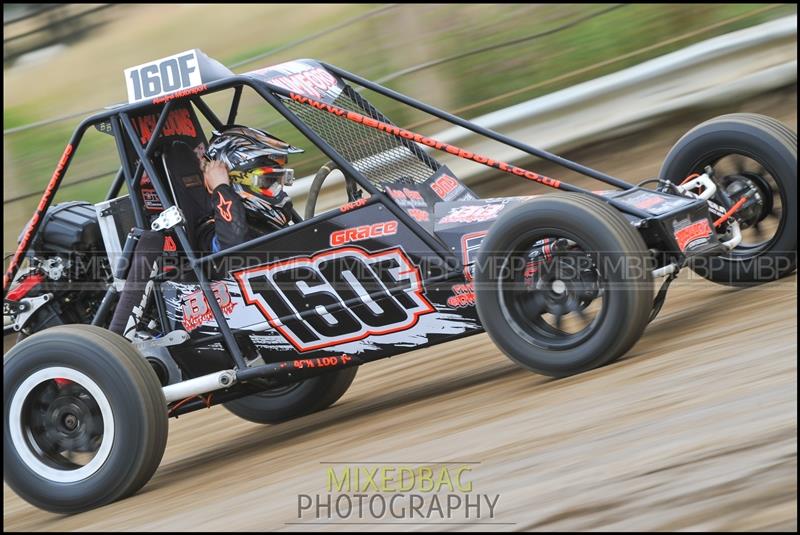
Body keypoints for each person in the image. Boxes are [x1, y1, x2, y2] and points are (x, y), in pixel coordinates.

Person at [195, 125, 303, 253]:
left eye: (279, 180)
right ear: (232, 181)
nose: (278, 189)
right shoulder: (211, 231)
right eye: (268, 181)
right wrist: (221, 188)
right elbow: (234, 246)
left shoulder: (264, 222)